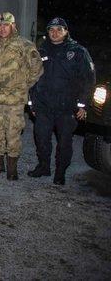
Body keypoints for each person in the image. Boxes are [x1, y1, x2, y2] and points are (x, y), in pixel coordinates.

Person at [28, 17, 95, 185]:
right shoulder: (41, 51)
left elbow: (88, 79)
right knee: (41, 138)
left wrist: (82, 104)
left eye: (59, 29)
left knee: (64, 142)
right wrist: (32, 103)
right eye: (51, 30)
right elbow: (31, 78)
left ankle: (60, 172)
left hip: (67, 107)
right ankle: (44, 166)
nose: (55, 32)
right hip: (44, 105)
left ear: (66, 31)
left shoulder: (78, 52)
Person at [0, 12, 43, 180]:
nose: (2, 29)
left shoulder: (24, 45)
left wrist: (23, 84)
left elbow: (37, 68)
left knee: (13, 133)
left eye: (6, 25)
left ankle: (12, 168)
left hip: (14, 101)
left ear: (13, 26)